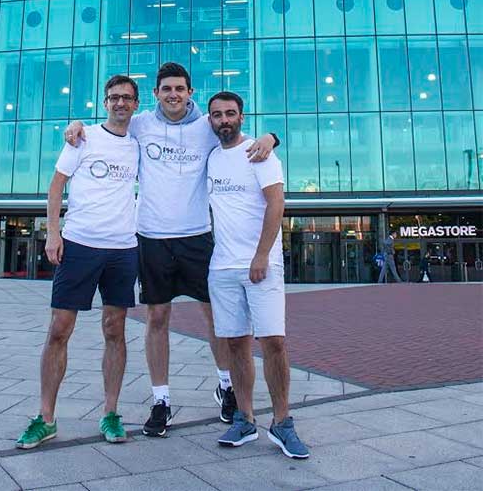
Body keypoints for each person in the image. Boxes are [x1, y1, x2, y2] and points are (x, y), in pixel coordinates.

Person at [65, 62, 279, 437]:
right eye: (166, 89)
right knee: (157, 319)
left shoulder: (205, 127)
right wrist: (75, 126)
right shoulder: (142, 123)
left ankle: (226, 386)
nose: (173, 95)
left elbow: (236, 132)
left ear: (190, 92)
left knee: (216, 318)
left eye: (180, 89)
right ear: (156, 94)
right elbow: (108, 121)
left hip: (197, 235)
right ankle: (160, 400)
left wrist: (272, 137)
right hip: (152, 236)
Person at [16, 74, 141, 450]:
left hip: (123, 248)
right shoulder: (83, 136)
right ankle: (46, 418)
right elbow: (56, 185)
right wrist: (53, 233)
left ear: (136, 104)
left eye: (126, 98)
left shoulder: (139, 142)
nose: (120, 103)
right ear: (105, 102)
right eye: (113, 97)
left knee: (115, 329)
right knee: (59, 329)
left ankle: (111, 413)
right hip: (80, 244)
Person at [206, 91, 309, 458]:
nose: (224, 120)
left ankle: (282, 422)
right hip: (222, 267)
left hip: (261, 265)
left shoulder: (261, 153)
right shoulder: (211, 156)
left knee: (274, 342)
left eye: (230, 114)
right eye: (217, 115)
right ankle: (244, 418)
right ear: (210, 120)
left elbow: (276, 203)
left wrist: (262, 255)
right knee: (235, 343)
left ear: (242, 117)